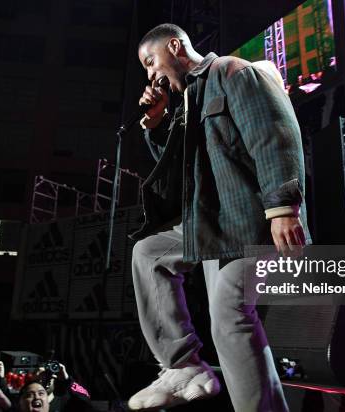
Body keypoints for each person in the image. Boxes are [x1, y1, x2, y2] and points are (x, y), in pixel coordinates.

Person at [129, 23, 310, 411]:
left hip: (251, 221)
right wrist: (158, 122)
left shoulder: (233, 72)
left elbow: (275, 134)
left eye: (150, 62)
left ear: (175, 46)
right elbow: (175, 166)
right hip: (213, 224)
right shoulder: (189, 99)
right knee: (149, 254)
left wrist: (283, 208)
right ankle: (184, 367)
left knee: (229, 316)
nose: (150, 74)